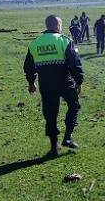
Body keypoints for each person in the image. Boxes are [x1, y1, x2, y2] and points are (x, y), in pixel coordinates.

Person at [24, 15, 84, 156]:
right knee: (74, 105)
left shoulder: (35, 43)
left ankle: (53, 146)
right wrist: (79, 81)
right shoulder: (65, 41)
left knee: (50, 113)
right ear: (58, 25)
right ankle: (67, 137)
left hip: (46, 83)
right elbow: (74, 63)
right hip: (64, 81)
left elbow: (28, 66)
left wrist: (31, 82)